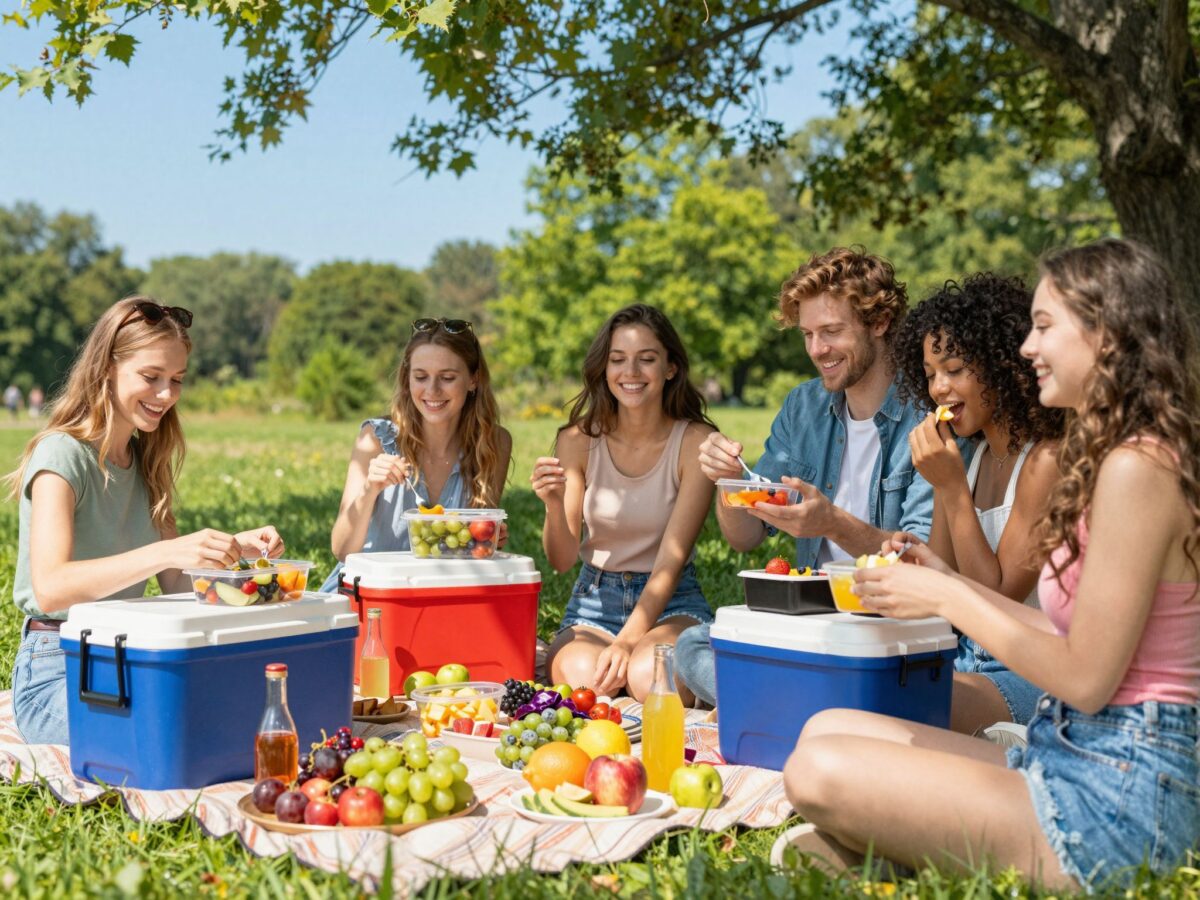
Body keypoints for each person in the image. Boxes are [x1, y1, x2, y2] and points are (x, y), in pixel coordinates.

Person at [782, 239, 1200, 891]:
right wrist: (939, 582)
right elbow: (1067, 635)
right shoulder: (1112, 458)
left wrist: (949, 598)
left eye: (1042, 328)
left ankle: (911, 842)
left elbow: (1086, 679)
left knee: (818, 771)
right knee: (825, 726)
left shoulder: (1137, 469)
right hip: (1068, 749)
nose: (1027, 349)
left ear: (1108, 335)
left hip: (1124, 794)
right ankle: (922, 838)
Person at [5, 296, 284, 746]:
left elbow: (177, 582)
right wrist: (165, 550)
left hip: (127, 654)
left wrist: (231, 550)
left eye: (176, 380)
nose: (166, 395)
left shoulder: (145, 461)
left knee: (247, 711)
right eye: (151, 377)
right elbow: (50, 586)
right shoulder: (60, 455)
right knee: (174, 732)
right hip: (56, 668)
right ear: (106, 369)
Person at [675, 247, 938, 706]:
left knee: (716, 663)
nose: (817, 350)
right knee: (693, 644)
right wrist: (729, 483)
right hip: (816, 616)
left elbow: (919, 562)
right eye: (808, 334)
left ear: (878, 323)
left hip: (891, 627)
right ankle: (815, 701)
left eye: (832, 331)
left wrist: (831, 523)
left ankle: (786, 701)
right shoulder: (804, 407)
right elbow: (745, 535)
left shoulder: (924, 416)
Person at [891, 274, 1064, 734]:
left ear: (1000, 364)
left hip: (1031, 669)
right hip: (967, 657)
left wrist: (950, 490)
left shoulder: (1045, 460)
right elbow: (942, 584)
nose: (939, 389)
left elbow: (997, 595)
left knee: (900, 710)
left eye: (954, 369)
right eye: (929, 375)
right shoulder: (973, 457)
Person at [531, 304, 716, 702]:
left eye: (646, 359)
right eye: (618, 360)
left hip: (672, 600)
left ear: (670, 368)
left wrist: (629, 641)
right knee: (585, 686)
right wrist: (552, 503)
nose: (630, 372)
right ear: (604, 368)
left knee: (653, 679)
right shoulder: (577, 441)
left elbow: (671, 560)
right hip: (593, 602)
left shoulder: (695, 443)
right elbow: (562, 560)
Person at [322, 317, 512, 591]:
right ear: (407, 378)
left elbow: (471, 549)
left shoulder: (493, 443)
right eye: (420, 377)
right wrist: (369, 489)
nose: (432, 391)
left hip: (441, 591)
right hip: (368, 592)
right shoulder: (376, 438)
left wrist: (486, 539)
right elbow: (341, 550)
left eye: (447, 378)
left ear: (473, 380)